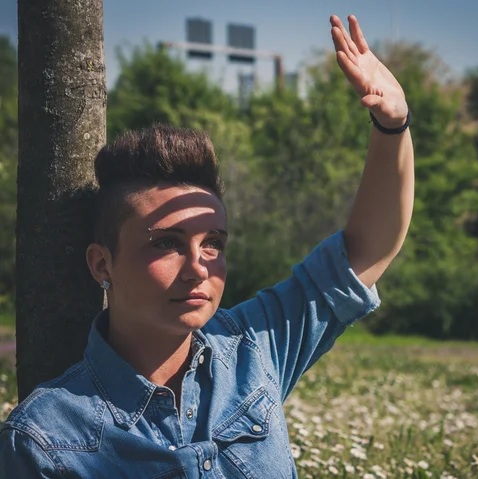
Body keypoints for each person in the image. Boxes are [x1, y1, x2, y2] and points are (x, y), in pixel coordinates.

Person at [0, 14, 414, 478]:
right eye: (167, 244)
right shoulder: (42, 441)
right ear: (102, 263)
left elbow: (364, 253)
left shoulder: (253, 350)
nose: (199, 268)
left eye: (213, 244)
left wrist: (392, 125)